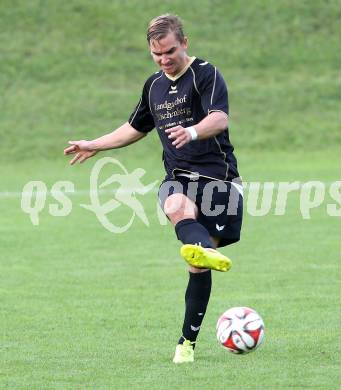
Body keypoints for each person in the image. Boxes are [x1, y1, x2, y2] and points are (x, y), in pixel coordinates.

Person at [64, 14, 243, 364]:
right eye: (156, 54)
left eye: (170, 51)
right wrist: (95, 144)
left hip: (218, 180)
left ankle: (187, 340)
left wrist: (191, 131)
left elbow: (219, 118)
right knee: (175, 205)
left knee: (197, 269)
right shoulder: (154, 85)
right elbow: (135, 127)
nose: (163, 60)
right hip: (178, 175)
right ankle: (201, 249)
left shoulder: (206, 74)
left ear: (185, 42)